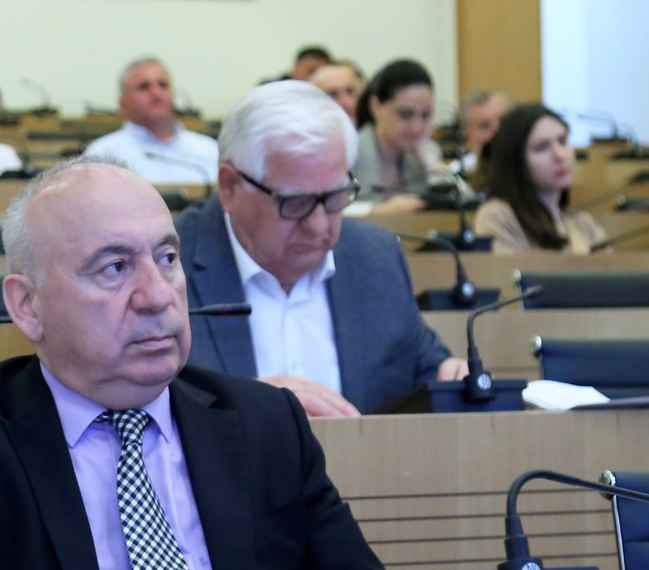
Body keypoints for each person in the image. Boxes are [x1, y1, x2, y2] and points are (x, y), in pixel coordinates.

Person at [0, 158, 395, 570]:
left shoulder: (266, 422)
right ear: (28, 306)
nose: (157, 296)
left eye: (167, 258)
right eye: (115, 267)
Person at [178, 80, 465, 418]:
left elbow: (422, 367)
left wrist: (450, 377)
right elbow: (136, 406)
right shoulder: (165, 267)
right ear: (230, 187)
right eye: (295, 202)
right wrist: (250, 402)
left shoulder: (375, 257)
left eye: (334, 197)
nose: (317, 225)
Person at [472, 103, 608, 254]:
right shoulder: (498, 215)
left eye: (562, 141)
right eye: (541, 147)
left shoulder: (584, 223)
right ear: (516, 161)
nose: (559, 155)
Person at [84, 57, 220, 184]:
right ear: (122, 103)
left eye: (163, 85)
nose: (156, 93)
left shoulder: (210, 149)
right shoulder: (102, 155)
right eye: (144, 87)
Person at [352, 59, 447, 213]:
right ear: (375, 107)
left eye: (425, 115)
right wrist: (377, 210)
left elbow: (463, 206)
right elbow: (327, 209)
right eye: (405, 114)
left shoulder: (428, 153)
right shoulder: (348, 152)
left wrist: (430, 161)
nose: (417, 127)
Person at [453, 88, 509, 176]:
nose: (497, 130)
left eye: (503, 121)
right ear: (466, 132)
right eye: (485, 125)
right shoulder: (457, 174)